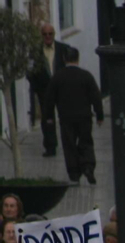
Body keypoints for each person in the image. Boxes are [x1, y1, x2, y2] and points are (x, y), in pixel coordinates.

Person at [49, 44, 101, 184]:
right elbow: (96, 97)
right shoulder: (86, 76)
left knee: (69, 144)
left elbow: (50, 99)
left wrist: (49, 117)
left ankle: (74, 173)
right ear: (78, 59)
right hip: (84, 116)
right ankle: (88, 166)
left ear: (64, 59)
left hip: (66, 117)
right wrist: (99, 115)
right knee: (86, 141)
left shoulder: (58, 77)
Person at [27, 22, 64, 159]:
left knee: (65, 116)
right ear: (41, 35)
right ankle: (50, 146)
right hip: (44, 91)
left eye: (50, 34)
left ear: (54, 34)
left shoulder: (63, 49)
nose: (48, 36)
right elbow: (29, 71)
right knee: (47, 119)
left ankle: (69, 142)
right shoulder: (35, 52)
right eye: (45, 34)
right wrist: (37, 87)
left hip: (61, 89)